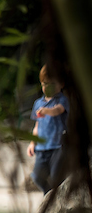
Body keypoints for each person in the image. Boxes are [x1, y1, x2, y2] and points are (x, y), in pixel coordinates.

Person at [28, 65, 69, 195]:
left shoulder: (62, 100)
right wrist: (32, 142)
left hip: (58, 145)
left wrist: (47, 111)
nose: (48, 87)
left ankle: (58, 196)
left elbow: (58, 110)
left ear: (61, 84)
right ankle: (49, 194)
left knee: (57, 175)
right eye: (45, 84)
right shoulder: (38, 104)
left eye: (52, 84)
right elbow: (37, 126)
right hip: (41, 147)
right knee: (37, 176)